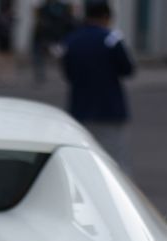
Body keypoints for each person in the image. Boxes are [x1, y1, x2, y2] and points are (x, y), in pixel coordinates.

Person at [61, 1, 135, 172]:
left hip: (79, 106)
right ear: (106, 17)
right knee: (115, 159)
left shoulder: (72, 40)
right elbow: (127, 69)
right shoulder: (111, 39)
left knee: (82, 155)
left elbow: (68, 73)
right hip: (109, 107)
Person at [32, 1, 75, 86]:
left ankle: (67, 75)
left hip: (58, 38)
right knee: (39, 56)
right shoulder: (44, 8)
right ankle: (40, 76)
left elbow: (68, 23)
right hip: (46, 38)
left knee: (63, 58)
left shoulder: (63, 8)